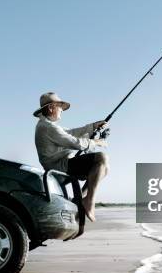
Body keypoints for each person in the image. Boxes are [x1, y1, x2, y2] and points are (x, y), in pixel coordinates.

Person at [34, 92, 108, 222]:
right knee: (101, 158)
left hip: (63, 164)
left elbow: (71, 133)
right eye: (60, 106)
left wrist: (93, 126)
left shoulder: (46, 125)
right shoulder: (46, 127)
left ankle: (81, 199)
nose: (62, 110)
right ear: (51, 108)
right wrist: (97, 142)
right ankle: (89, 200)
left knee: (104, 168)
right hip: (60, 167)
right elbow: (75, 142)